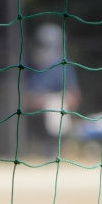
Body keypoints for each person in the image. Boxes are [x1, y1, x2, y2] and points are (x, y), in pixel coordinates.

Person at [23, 23, 80, 155]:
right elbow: (16, 96)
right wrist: (36, 100)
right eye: (40, 45)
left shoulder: (63, 64)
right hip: (30, 114)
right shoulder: (26, 65)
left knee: (55, 105)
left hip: (55, 113)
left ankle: (56, 150)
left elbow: (74, 97)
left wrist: (52, 100)